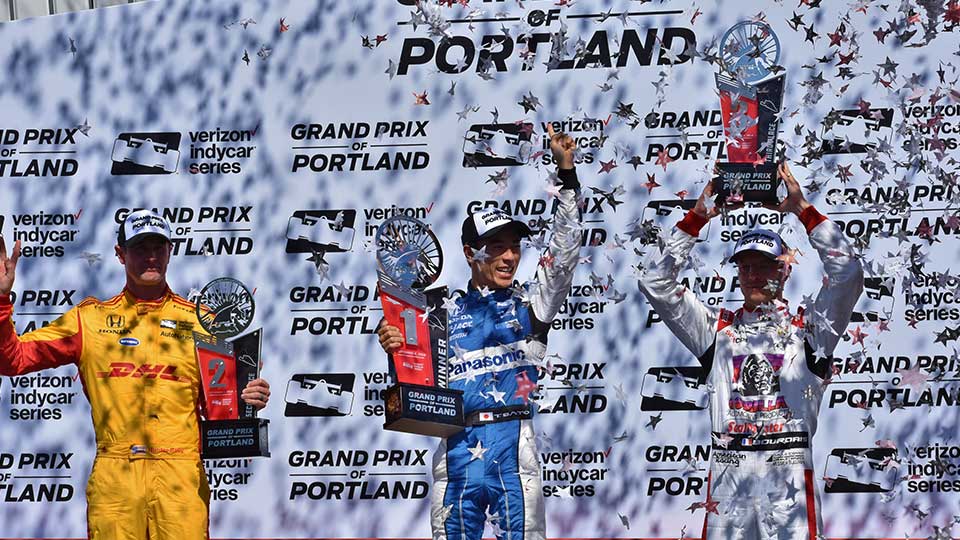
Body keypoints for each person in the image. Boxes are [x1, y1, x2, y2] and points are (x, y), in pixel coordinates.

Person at [0, 209, 272, 540]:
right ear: (120, 254)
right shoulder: (89, 320)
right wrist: (1, 300)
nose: (151, 257)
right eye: (141, 247)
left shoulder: (203, 324)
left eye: (159, 247)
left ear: (171, 251)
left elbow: (221, 411)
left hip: (180, 477)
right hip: (116, 478)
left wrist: (246, 398)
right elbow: (12, 360)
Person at [637, 162, 864, 540]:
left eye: (767, 266)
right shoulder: (717, 331)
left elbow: (849, 273)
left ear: (786, 271)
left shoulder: (811, 332)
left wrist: (803, 211)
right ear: (737, 274)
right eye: (746, 267)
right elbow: (654, 282)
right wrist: (697, 217)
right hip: (730, 493)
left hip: (788, 492)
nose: (756, 276)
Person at [377, 124, 580, 540]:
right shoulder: (438, 312)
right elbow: (414, 384)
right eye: (496, 247)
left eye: (515, 246)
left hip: (513, 450)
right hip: (457, 449)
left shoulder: (531, 306)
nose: (509, 256)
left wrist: (567, 175)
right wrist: (393, 347)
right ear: (471, 253)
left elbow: (564, 255)